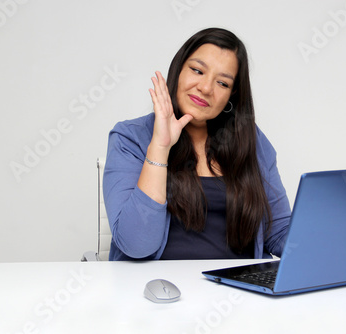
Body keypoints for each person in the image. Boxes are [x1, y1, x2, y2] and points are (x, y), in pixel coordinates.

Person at [103, 27, 291, 260]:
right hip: (161, 290)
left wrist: (328, 238)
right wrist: (160, 148)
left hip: (239, 289)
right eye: (197, 70)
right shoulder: (130, 138)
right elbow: (136, 245)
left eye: (222, 83)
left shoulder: (252, 141)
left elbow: (280, 232)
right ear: (179, 70)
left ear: (231, 95)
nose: (205, 88)